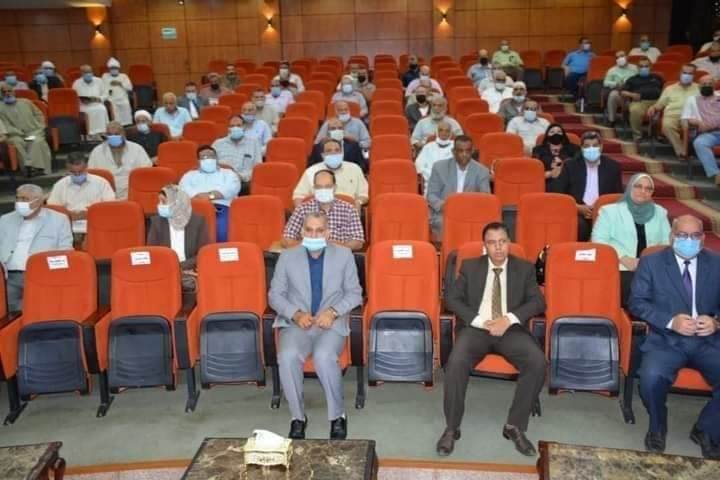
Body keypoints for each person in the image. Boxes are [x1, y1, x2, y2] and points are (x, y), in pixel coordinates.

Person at [438, 222, 546, 457]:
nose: (498, 248)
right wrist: (478, 321)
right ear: (485, 246)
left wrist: (508, 319)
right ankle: (452, 428)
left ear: (509, 243)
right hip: (477, 328)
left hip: (510, 330)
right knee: (456, 362)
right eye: (492, 243)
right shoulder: (470, 267)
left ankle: (515, 426)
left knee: (537, 361)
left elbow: (538, 302)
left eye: (502, 242)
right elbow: (451, 299)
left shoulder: (524, 268)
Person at [628, 215, 720, 459]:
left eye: (695, 236)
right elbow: (636, 303)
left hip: (707, 340)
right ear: (671, 237)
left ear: (703, 238)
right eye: (682, 235)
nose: (689, 241)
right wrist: (671, 321)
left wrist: (716, 322)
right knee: (650, 378)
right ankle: (658, 426)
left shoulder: (716, 263)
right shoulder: (652, 263)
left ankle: (707, 429)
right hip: (666, 339)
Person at [269, 211, 362, 440]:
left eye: (319, 230)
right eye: (309, 230)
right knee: (287, 356)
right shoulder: (287, 257)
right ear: (302, 232)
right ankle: (297, 417)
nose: (314, 235)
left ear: (327, 232)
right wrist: (295, 313)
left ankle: (337, 415)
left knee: (324, 357)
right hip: (297, 324)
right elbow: (274, 295)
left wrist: (333, 312)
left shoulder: (344, 255)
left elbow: (355, 294)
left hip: (331, 323)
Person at [592, 174, 671, 307]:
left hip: (652, 266)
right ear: (629, 187)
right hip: (620, 265)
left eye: (648, 188)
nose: (643, 191)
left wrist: (650, 262)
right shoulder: (610, 211)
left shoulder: (660, 213)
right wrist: (623, 258)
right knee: (633, 285)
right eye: (638, 186)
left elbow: (667, 242)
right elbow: (598, 240)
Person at [0, 184, 73, 312]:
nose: (19, 202)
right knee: (7, 314)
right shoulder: (5, 220)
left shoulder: (59, 220)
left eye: (25, 199)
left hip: (41, 276)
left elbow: (66, 252)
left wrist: (54, 276)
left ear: (38, 201)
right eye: (18, 198)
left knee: (38, 311)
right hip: (8, 277)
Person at [551, 131, 623, 241]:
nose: (591, 149)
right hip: (577, 212)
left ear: (601, 147)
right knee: (579, 226)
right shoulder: (570, 166)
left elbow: (618, 196)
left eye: (595, 145)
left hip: (604, 213)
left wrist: (600, 209)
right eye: (587, 146)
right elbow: (558, 193)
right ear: (581, 148)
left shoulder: (613, 167)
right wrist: (578, 208)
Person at [147, 184, 210, 298]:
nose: (160, 205)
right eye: (159, 201)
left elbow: (203, 253)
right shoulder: (156, 222)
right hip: (164, 271)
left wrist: (180, 267)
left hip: (189, 271)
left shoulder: (198, 221)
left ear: (177, 202)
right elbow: (152, 253)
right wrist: (172, 268)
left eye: (164, 202)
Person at [283, 170, 364, 251]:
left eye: (328, 186)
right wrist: (307, 244)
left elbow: (358, 242)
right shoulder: (302, 209)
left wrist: (335, 246)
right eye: (319, 187)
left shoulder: (349, 210)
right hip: (306, 254)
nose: (323, 190)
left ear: (334, 187)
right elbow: (287, 239)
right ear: (314, 188)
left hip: (339, 255)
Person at [427, 135, 491, 235]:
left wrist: (468, 209)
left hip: (471, 214)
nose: (464, 154)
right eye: (460, 151)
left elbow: (485, 198)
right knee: (443, 223)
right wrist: (445, 206)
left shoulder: (482, 171)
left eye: (467, 151)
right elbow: (431, 195)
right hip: (444, 213)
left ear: (472, 151)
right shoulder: (439, 167)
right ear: (453, 152)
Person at [179, 145, 241, 242]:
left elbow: (231, 189)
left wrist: (208, 197)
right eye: (204, 157)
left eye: (211, 156)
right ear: (198, 161)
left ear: (216, 158)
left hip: (221, 208)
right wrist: (207, 200)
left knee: (222, 232)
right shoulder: (189, 175)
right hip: (195, 209)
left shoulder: (229, 173)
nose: (208, 159)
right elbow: (184, 191)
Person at [47, 152, 115, 236]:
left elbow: (110, 207)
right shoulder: (60, 185)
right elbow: (53, 210)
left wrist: (89, 214)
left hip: (97, 226)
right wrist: (69, 215)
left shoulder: (101, 183)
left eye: (80, 172)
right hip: (68, 227)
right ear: (67, 169)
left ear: (86, 167)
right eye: (73, 172)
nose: (77, 175)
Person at [293, 139, 368, 209]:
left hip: (348, 211)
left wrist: (358, 202)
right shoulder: (310, 171)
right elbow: (298, 196)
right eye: (329, 151)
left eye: (337, 150)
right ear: (323, 155)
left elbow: (363, 194)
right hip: (318, 212)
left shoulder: (355, 169)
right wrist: (301, 212)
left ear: (342, 153)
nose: (333, 153)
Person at [88, 121, 152, 200]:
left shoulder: (137, 149)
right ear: (106, 135)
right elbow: (92, 174)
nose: (113, 137)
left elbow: (146, 171)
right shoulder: (97, 151)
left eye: (116, 134)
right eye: (110, 134)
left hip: (131, 190)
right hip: (105, 192)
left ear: (123, 134)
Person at [647, 64, 699, 157]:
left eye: (690, 73)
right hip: (672, 115)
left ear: (694, 75)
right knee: (667, 126)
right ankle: (681, 152)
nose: (686, 75)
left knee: (689, 125)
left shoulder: (699, 88)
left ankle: (684, 152)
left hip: (691, 116)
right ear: (680, 73)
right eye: (684, 73)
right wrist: (653, 108)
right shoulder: (669, 89)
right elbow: (659, 104)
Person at [0, 83, 52, 176]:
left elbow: (39, 114)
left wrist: (40, 127)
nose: (7, 93)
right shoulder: (1, 107)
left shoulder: (26, 102)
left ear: (13, 92)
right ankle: (28, 169)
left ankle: (38, 168)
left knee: (35, 141)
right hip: (14, 135)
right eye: (4, 92)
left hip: (33, 132)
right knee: (18, 142)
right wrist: (18, 132)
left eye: (9, 91)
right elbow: (5, 124)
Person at [211, 114, 262, 194]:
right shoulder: (218, 144)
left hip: (244, 182)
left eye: (238, 125)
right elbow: (212, 165)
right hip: (222, 181)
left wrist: (242, 177)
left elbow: (258, 167)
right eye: (232, 126)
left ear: (244, 127)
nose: (235, 128)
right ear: (228, 128)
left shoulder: (254, 143)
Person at [683, 75, 720, 185]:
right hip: (709, 134)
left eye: (710, 84)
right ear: (699, 86)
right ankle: (716, 174)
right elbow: (686, 117)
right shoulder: (692, 99)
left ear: (714, 86)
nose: (707, 86)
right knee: (699, 142)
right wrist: (698, 122)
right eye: (704, 84)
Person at [621, 58, 664, 142]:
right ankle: (637, 136)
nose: (644, 68)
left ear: (650, 67)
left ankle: (660, 135)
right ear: (638, 67)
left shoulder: (657, 77)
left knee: (668, 109)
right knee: (635, 110)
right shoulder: (632, 79)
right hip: (640, 102)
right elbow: (623, 92)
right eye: (641, 66)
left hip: (657, 101)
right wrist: (632, 95)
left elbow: (665, 88)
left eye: (646, 66)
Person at [531, 123, 581, 189]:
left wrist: (561, 169)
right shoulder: (538, 150)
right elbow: (535, 172)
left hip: (569, 182)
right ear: (547, 135)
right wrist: (550, 174)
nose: (556, 134)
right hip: (546, 181)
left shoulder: (574, 148)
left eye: (559, 132)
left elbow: (578, 167)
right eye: (552, 132)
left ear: (563, 134)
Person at [415, 120, 455, 195]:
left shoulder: (456, 147)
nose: (444, 133)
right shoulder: (428, 147)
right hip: (431, 181)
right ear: (437, 132)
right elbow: (419, 165)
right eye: (441, 130)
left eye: (447, 131)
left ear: (450, 133)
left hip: (451, 184)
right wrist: (432, 175)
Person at [73, 64, 109, 139]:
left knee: (102, 109)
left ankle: (102, 133)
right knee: (88, 111)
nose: (88, 74)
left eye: (89, 72)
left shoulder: (99, 81)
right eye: (85, 72)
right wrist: (82, 101)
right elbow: (74, 97)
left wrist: (99, 99)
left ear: (92, 72)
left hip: (97, 103)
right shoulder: (76, 83)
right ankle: (90, 134)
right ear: (82, 73)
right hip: (84, 105)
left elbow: (106, 94)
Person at [604, 51, 638, 127]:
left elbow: (639, 80)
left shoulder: (634, 68)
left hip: (632, 92)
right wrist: (615, 84)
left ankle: (628, 118)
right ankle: (612, 120)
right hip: (619, 91)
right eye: (617, 57)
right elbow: (605, 82)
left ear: (627, 57)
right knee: (613, 95)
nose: (620, 58)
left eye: (622, 56)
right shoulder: (612, 70)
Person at [101, 57, 133, 126]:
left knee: (126, 105)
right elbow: (103, 89)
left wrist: (120, 83)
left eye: (115, 68)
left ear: (118, 68)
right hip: (112, 99)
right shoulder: (105, 76)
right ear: (109, 69)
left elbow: (130, 88)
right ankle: (116, 126)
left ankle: (127, 125)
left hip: (123, 98)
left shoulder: (124, 76)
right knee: (113, 108)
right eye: (112, 68)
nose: (113, 70)